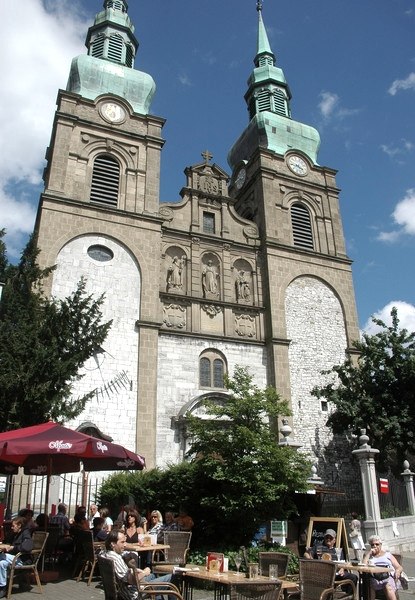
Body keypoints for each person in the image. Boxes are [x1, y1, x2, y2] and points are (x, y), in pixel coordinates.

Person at [104, 529, 174, 600]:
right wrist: (144, 573)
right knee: (172, 577)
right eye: (122, 542)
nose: (125, 545)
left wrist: (134, 570)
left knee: (153, 575)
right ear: (113, 544)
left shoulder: (106, 555)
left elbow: (122, 575)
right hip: (134, 593)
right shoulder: (116, 559)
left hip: (126, 589)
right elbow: (131, 581)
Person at [304, 528, 358, 594]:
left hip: (336, 574)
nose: (328, 539)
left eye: (331, 538)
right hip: (322, 574)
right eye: (327, 537)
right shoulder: (318, 546)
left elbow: (343, 563)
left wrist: (342, 569)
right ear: (324, 538)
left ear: (334, 540)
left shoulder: (338, 551)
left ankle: (349, 596)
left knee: (353, 577)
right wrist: (310, 559)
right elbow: (306, 554)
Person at [0, 516, 34, 597]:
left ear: (19, 525)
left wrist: (13, 547)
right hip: (14, 558)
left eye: (13, 526)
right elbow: (8, 543)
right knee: (1, 563)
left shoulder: (26, 533)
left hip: (22, 560)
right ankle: (2, 587)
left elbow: (27, 547)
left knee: (1, 556)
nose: (11, 528)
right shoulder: (15, 534)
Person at [363, 535, 402, 600]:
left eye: (377, 544)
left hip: (387, 576)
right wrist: (368, 553)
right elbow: (363, 565)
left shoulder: (387, 555)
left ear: (381, 545)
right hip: (374, 577)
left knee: (387, 586)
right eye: (372, 545)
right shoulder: (369, 556)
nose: (375, 546)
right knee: (370, 586)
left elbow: (398, 567)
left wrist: (397, 571)